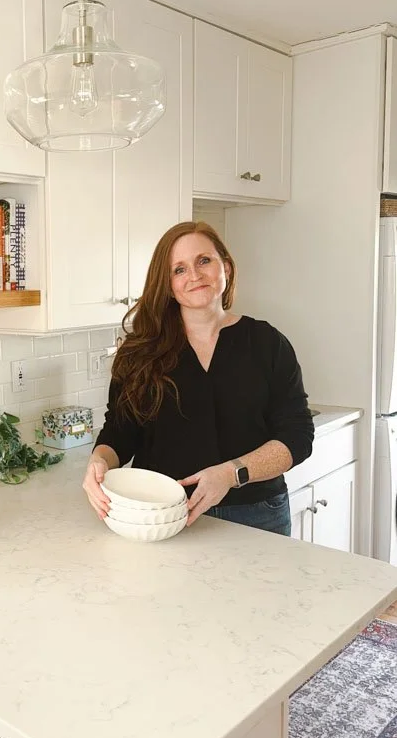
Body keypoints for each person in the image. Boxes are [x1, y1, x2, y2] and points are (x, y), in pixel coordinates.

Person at [82, 221, 314, 536]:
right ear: (166, 283)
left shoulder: (267, 343)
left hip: (257, 513)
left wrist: (232, 474)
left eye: (204, 260)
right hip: (164, 515)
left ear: (227, 268)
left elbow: (297, 437)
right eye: (179, 269)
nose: (194, 275)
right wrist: (100, 461)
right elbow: (119, 434)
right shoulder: (139, 353)